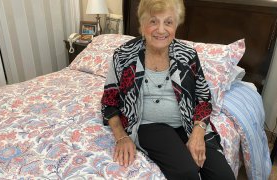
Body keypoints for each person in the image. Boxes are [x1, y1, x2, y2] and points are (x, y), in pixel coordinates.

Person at [101, 0, 235, 179]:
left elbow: (204, 98)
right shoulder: (124, 55)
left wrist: (198, 131)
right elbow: (108, 103)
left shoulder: (187, 55)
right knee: (187, 171)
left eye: (168, 22)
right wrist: (121, 136)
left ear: (176, 25)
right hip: (149, 125)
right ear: (142, 24)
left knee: (223, 175)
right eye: (153, 21)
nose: (161, 30)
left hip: (187, 122)